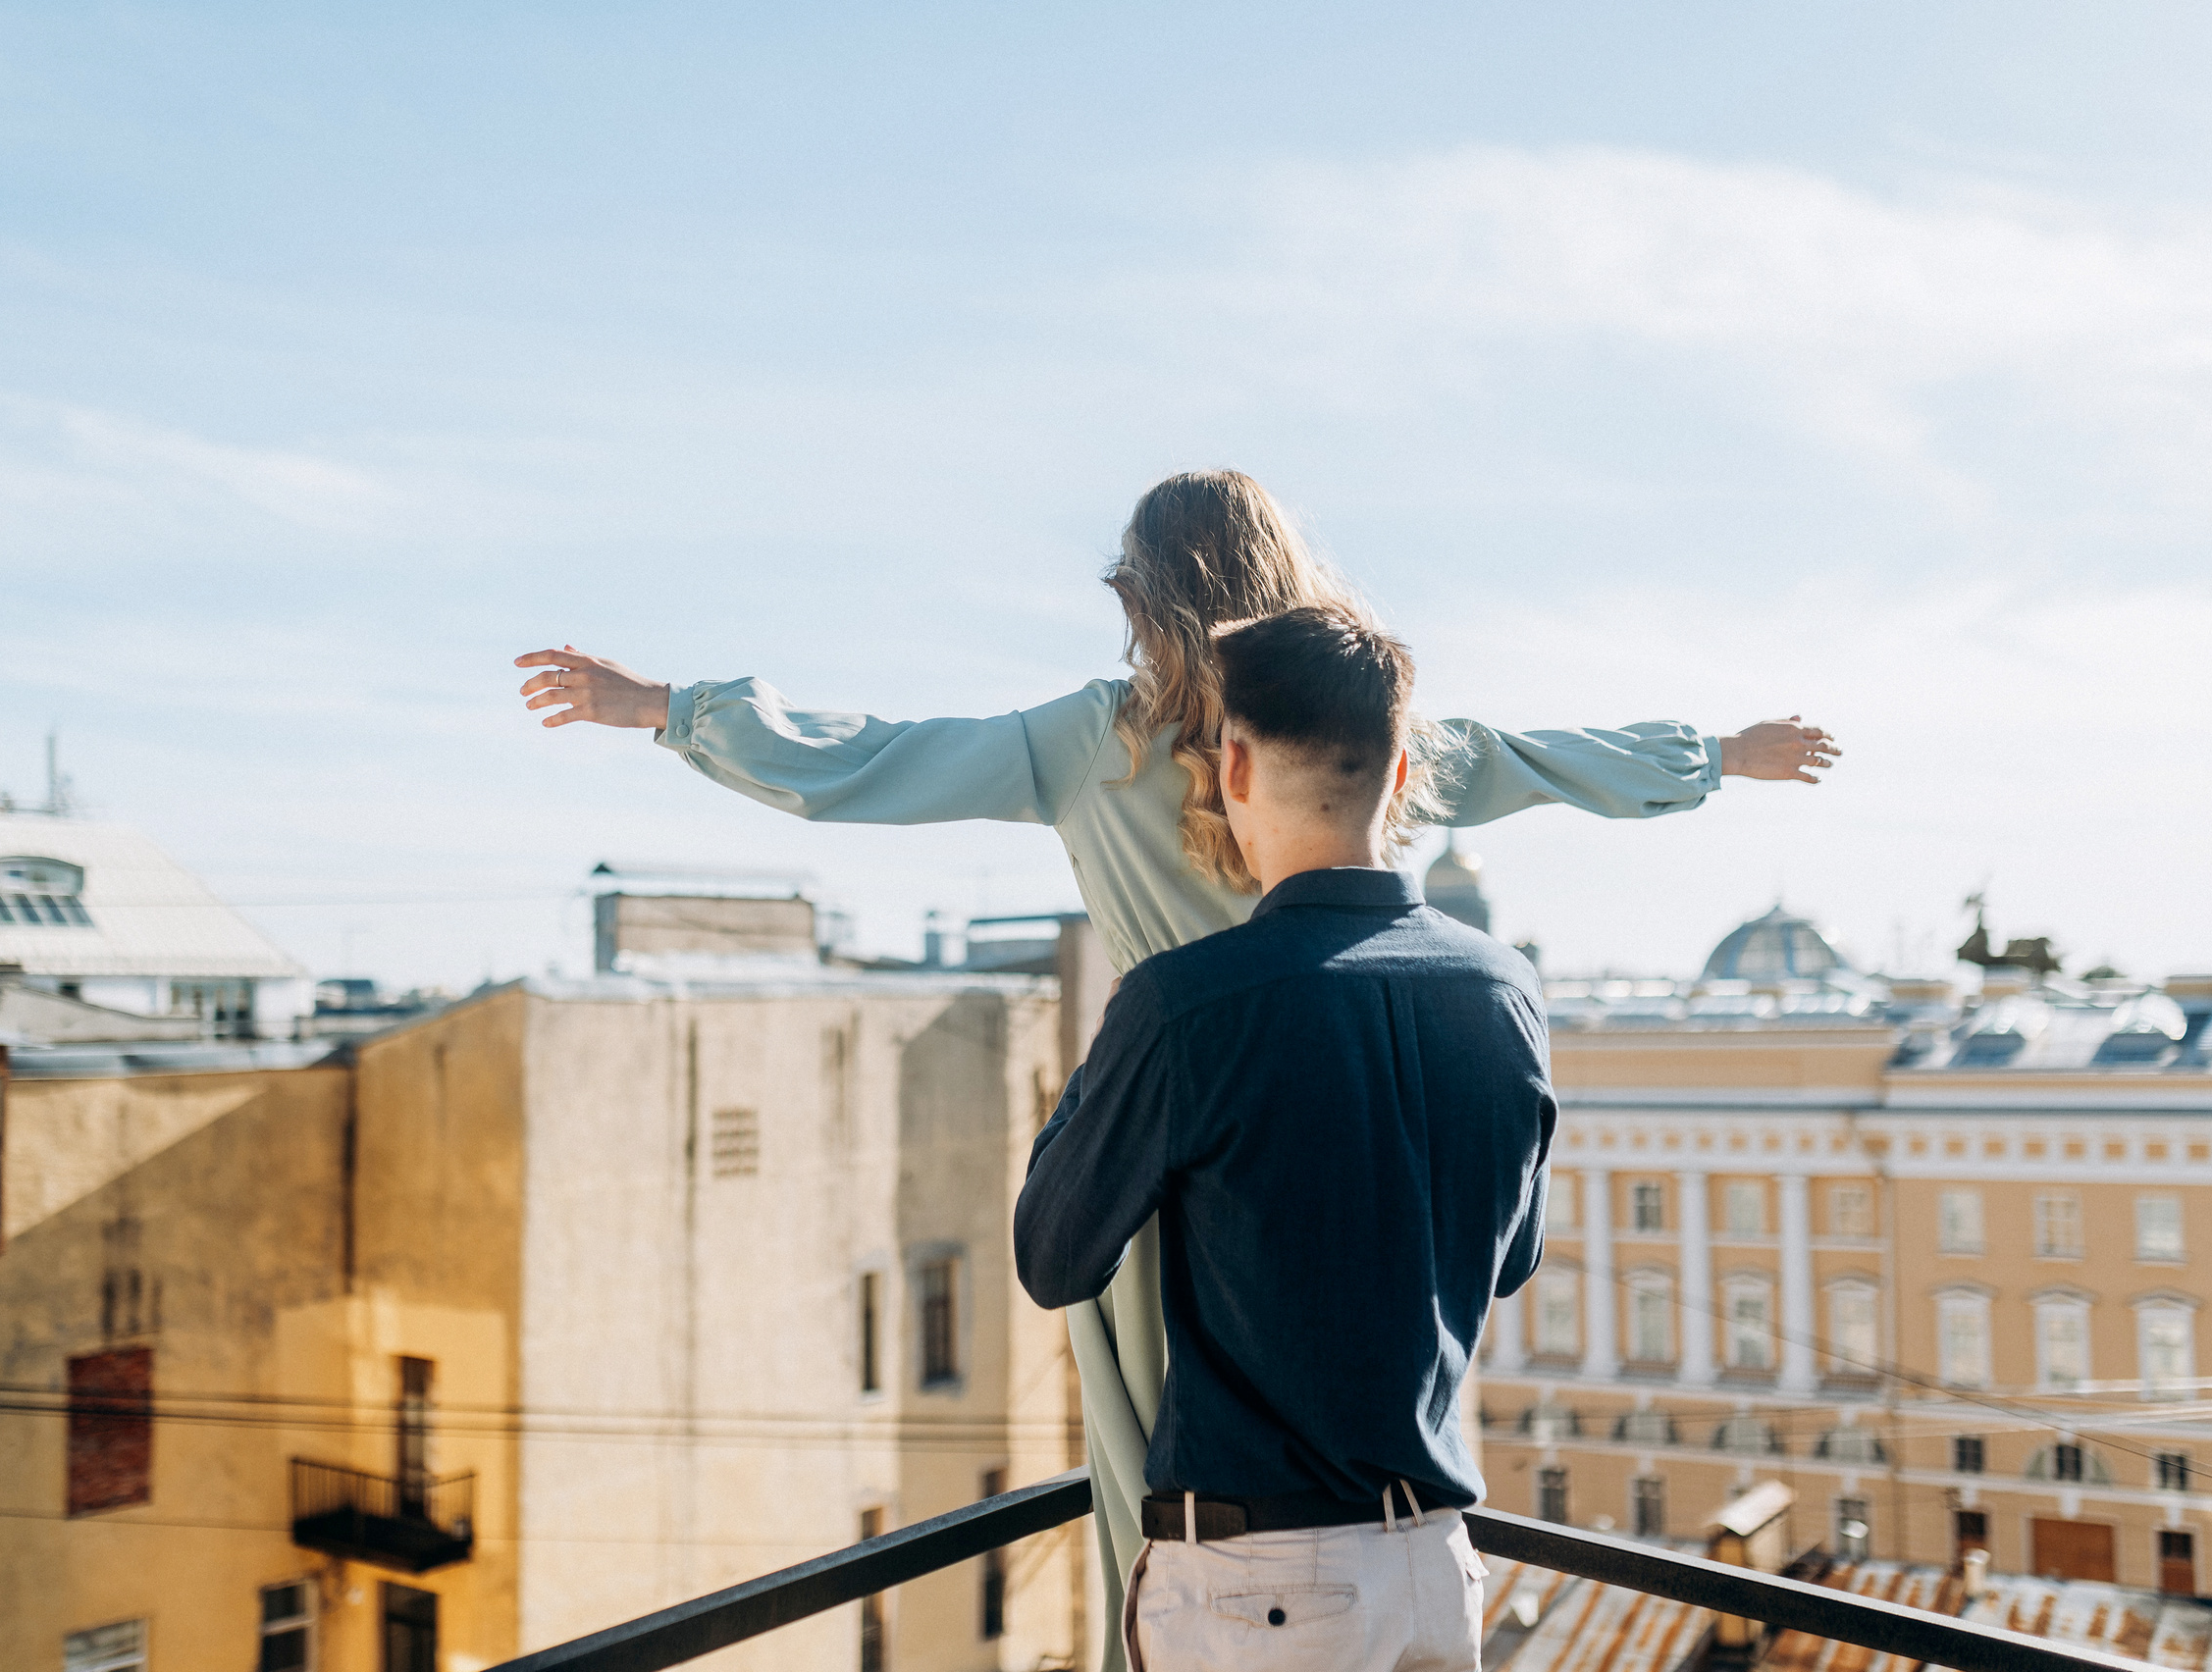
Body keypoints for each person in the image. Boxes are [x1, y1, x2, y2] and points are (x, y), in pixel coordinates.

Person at [512, 469, 1837, 1670]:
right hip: (1354, 1166)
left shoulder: (1092, 742)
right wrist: (1718, 757)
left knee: (1172, 1494)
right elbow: (1542, 761)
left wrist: (668, 711)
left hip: (1165, 1150)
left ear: (1140, 601)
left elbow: (871, 757)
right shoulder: (1367, 740)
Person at [1014, 606, 1549, 1672]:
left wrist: (1106, 1056)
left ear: (1235, 768)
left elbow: (1054, 1256)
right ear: (1400, 778)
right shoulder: (1507, 989)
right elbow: (1510, 1259)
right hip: (1435, 1566)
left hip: (1260, 1591)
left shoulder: (1184, 1005)